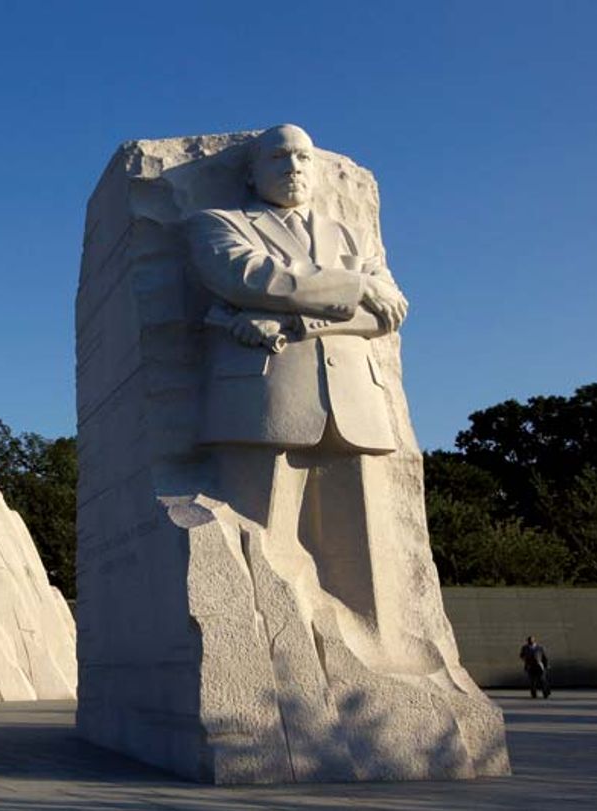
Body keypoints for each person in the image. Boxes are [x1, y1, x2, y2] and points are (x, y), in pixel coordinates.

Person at [183, 124, 410, 621]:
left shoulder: (351, 235)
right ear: (251, 172)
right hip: (265, 400)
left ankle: (373, 659)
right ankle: (276, 659)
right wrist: (355, 287)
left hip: (355, 402)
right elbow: (252, 277)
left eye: (304, 158)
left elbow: (388, 312)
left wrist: (291, 320)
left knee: (364, 558)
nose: (294, 168)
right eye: (279, 158)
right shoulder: (217, 223)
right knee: (261, 541)